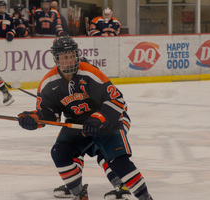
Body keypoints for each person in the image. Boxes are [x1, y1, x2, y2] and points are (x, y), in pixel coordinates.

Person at [17, 35, 153, 200]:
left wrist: (98, 118)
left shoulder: (90, 73)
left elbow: (117, 101)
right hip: (77, 123)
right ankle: (79, 193)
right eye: (65, 57)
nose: (70, 60)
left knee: (114, 157)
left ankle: (143, 196)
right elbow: (49, 113)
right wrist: (34, 119)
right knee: (60, 152)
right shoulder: (48, 83)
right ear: (56, 59)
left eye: (72, 55)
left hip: (109, 120)